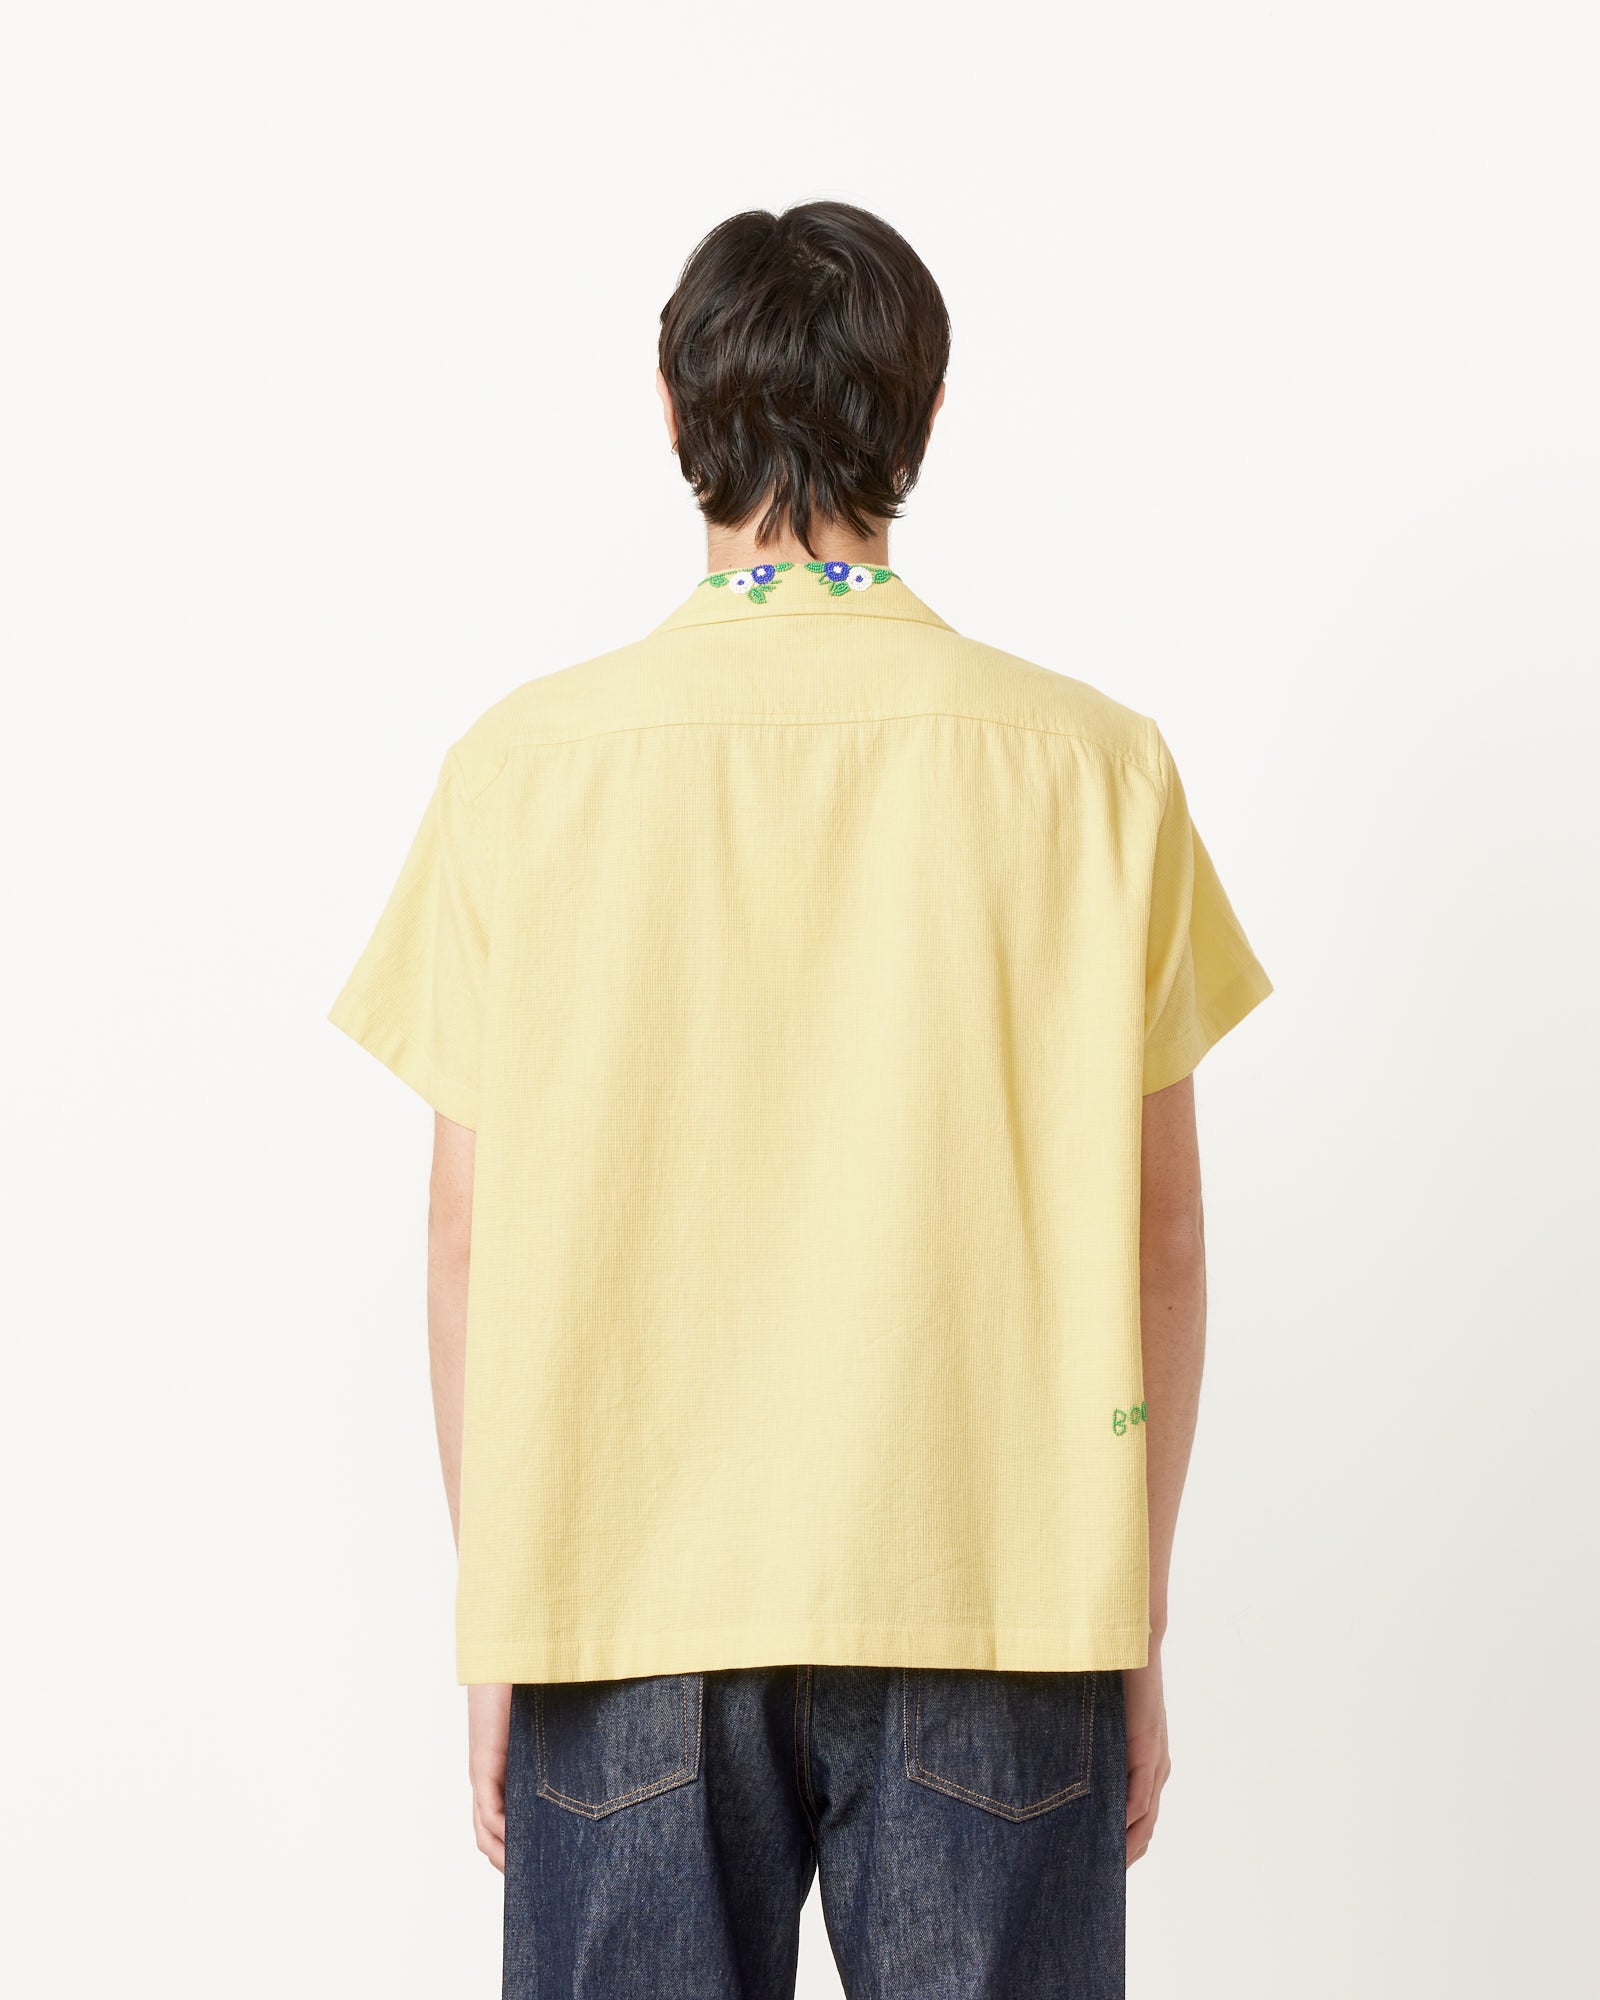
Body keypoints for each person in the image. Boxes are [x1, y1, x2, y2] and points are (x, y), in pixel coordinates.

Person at [331, 200, 1270, 2000]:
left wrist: (503, 1610)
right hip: (1002, 1591)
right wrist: (1130, 1614)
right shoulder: (1095, 770)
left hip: (623, 1593)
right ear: (924, 410)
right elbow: (1160, 1242)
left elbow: (468, 1237)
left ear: (673, 409)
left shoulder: (524, 772)